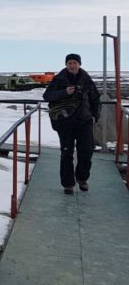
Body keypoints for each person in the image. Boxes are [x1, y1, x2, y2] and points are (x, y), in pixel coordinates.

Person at [43, 53, 100, 194]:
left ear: (79, 64)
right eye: (70, 63)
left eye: (75, 63)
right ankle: (68, 184)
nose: (72, 66)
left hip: (85, 121)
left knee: (86, 152)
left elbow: (95, 100)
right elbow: (47, 96)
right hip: (65, 122)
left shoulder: (87, 80)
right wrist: (64, 92)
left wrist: (95, 116)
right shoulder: (59, 79)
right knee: (66, 153)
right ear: (66, 65)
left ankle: (82, 178)